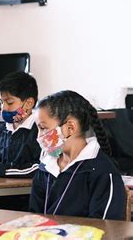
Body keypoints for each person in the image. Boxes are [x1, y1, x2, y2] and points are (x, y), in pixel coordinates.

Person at [29, 90, 126, 220]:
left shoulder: (103, 172)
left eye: (44, 128)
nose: (39, 136)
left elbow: (107, 227)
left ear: (70, 128)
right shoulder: (46, 167)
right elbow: (34, 218)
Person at [0, 71, 41, 211]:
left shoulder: (40, 129)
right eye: (1, 102)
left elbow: (40, 168)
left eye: (9, 102)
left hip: (28, 198)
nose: (4, 108)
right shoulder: (3, 128)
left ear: (29, 103)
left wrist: (2, 170)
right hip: (2, 194)